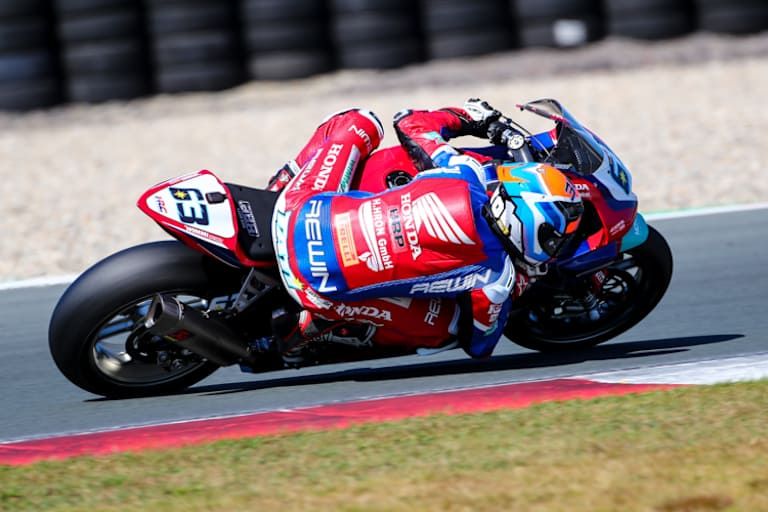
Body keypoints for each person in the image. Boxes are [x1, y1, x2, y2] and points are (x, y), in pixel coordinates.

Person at [268, 98, 583, 362]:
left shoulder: (465, 172)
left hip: (293, 211)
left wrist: (476, 121)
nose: (556, 246)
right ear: (522, 226)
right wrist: (523, 282)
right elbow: (481, 345)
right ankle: (315, 326)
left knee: (359, 122)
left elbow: (408, 123)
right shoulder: (496, 277)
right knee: (449, 331)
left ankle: (277, 187)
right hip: (311, 285)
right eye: (552, 238)